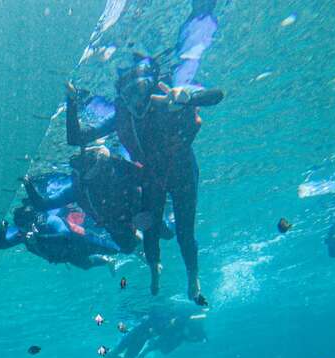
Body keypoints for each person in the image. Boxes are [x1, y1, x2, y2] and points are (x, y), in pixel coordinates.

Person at [66, 1, 223, 305]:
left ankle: (194, 278)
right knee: (148, 228)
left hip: (182, 172)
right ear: (121, 97)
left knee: (185, 232)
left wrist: (187, 97)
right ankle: (155, 269)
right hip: (152, 176)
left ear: (150, 84)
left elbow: (217, 96)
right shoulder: (123, 114)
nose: (136, 101)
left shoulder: (168, 101)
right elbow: (76, 138)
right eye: (128, 94)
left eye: (140, 90)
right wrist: (72, 102)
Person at [22, 146, 152, 253]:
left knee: (154, 232)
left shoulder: (114, 171)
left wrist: (27, 182)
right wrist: (27, 182)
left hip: (127, 209)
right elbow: (42, 205)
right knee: (128, 247)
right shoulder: (80, 190)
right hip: (115, 218)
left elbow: (42, 205)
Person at [85, 302, 206, 358]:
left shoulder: (172, 327)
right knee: (116, 353)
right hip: (135, 332)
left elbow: (158, 338)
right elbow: (152, 325)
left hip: (142, 337)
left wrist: (143, 353)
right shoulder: (166, 319)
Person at [12, 203, 121, 271]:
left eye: (25, 224)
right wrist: (34, 243)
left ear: (33, 221)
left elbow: (66, 235)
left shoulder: (50, 220)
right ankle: (107, 261)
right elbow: (45, 256)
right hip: (69, 255)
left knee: (116, 249)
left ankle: (131, 243)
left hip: (82, 242)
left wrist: (39, 238)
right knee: (86, 266)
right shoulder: (28, 241)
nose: (25, 229)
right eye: (21, 226)